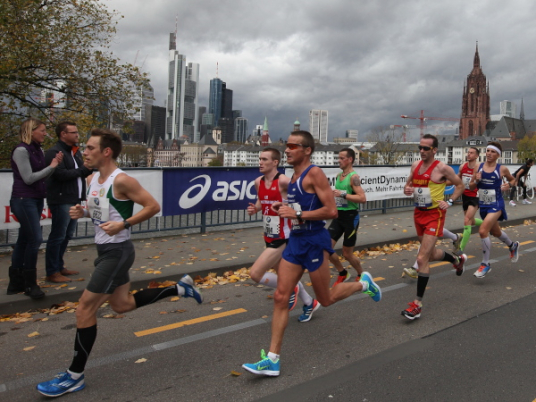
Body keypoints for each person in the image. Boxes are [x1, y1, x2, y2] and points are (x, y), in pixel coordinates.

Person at [37, 129, 202, 398]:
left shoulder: (122, 180)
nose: (84, 152)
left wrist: (124, 224)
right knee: (121, 304)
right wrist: (83, 211)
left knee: (84, 309)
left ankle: (75, 376)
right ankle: (179, 289)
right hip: (105, 250)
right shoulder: (91, 178)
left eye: (90, 148)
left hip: (118, 252)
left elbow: (153, 206)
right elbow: (101, 210)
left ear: (106, 152)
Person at [242, 131, 381, 376]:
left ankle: (363, 284)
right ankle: (273, 359)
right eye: (287, 146)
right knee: (280, 297)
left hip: (315, 242)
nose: (287, 150)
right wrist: (283, 206)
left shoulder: (313, 173)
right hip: (296, 241)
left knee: (325, 299)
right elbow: (301, 206)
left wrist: (296, 214)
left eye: (293, 146)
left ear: (307, 150)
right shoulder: (293, 177)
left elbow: (331, 211)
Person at [247, 148, 318, 323]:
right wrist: (255, 209)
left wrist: (285, 204)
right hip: (269, 235)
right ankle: (309, 302)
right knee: (286, 277)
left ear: (275, 162)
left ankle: (290, 288)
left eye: (264, 159)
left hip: (284, 237)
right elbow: (261, 201)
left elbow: (302, 201)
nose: (260, 162)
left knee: (255, 274)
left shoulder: (284, 181)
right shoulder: (258, 182)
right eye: (260, 159)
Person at [401, 134, 466, 321]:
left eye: (426, 148)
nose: (422, 151)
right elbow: (408, 186)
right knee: (429, 255)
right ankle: (456, 260)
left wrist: (450, 201)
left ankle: (417, 305)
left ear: (434, 150)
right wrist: (407, 190)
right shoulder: (415, 165)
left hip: (434, 215)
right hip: (418, 214)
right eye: (420, 147)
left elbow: (460, 185)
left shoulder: (442, 168)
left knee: (421, 258)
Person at [7, 118, 63, 299]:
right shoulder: (21, 150)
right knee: (35, 239)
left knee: (24, 239)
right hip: (24, 199)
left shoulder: (37, 149)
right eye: (42, 130)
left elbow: (41, 176)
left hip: (35, 199)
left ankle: (16, 282)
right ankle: (30, 283)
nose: (45, 133)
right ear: (31, 131)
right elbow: (29, 178)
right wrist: (52, 166)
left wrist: (53, 166)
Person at [44, 121, 92, 283]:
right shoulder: (54, 152)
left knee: (67, 235)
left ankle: (59, 266)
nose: (77, 135)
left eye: (77, 132)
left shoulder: (75, 152)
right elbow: (60, 174)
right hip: (61, 199)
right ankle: (52, 271)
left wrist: (87, 168)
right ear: (63, 134)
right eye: (74, 132)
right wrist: (83, 170)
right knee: (58, 235)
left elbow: (80, 172)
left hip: (74, 199)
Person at [469, 142, 519, 278]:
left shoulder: (501, 169)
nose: (489, 153)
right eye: (488, 151)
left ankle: (485, 264)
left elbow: (513, 180)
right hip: (483, 205)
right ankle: (512, 246)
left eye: (493, 151)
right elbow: (471, 187)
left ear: (498, 155)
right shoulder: (478, 167)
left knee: (482, 230)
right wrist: (476, 181)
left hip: (496, 204)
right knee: (496, 232)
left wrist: (509, 185)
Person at [328, 148, 366, 286]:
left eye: (341, 158)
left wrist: (343, 195)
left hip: (350, 218)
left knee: (347, 253)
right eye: (338, 158)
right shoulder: (339, 175)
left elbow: (362, 198)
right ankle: (343, 272)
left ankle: (362, 274)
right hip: (339, 216)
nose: (338, 161)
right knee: (325, 247)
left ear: (350, 160)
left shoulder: (353, 177)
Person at [457, 147, 483, 252]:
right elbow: (458, 179)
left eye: (471, 153)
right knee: (471, 221)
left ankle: (460, 249)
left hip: (475, 196)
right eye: (468, 152)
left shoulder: (480, 168)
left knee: (467, 220)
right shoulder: (462, 166)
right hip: (465, 196)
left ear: (476, 156)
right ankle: (486, 224)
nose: (469, 154)